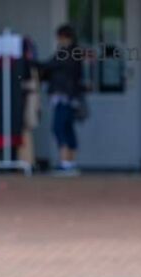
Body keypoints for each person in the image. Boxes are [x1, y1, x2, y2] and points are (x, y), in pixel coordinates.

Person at [39, 24, 86, 176]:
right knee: (68, 128)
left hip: (63, 96)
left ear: (64, 37)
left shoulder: (65, 53)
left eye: (59, 37)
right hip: (72, 97)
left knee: (59, 127)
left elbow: (48, 65)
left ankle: (65, 162)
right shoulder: (76, 53)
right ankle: (71, 162)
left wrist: (28, 63)